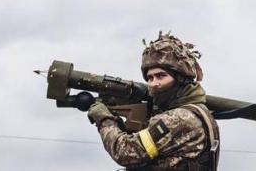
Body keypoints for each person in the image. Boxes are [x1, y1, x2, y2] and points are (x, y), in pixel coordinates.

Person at [86, 32, 220, 170]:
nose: (154, 83)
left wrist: (104, 119)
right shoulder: (197, 112)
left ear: (180, 79)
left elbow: (126, 153)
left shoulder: (179, 118)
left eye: (161, 76)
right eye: (150, 78)